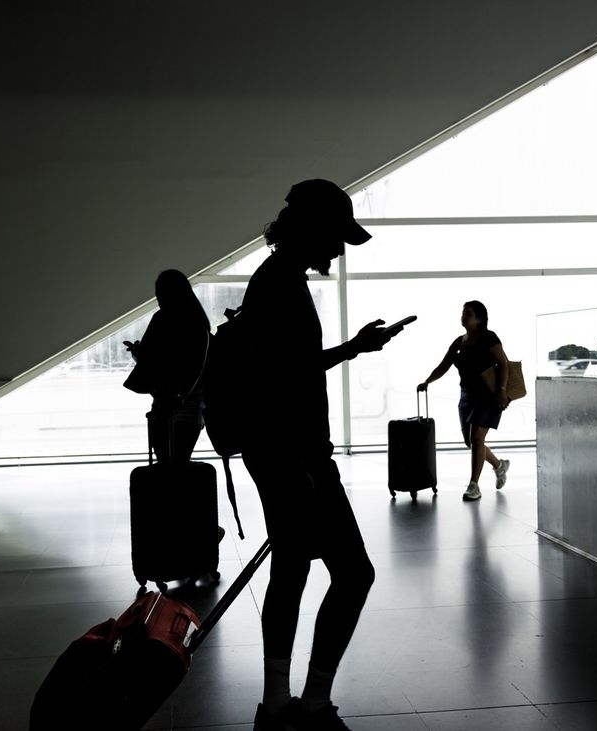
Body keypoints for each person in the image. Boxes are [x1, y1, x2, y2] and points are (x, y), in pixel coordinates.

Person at [243, 179, 402, 731]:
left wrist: (355, 347)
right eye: (336, 236)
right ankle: (305, 702)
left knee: (291, 571)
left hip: (285, 454)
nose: (339, 249)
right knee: (352, 574)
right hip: (297, 457)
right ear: (312, 229)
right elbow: (283, 378)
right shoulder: (280, 285)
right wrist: (300, 465)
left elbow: (288, 368)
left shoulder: (275, 280)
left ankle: (280, 703)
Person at [417, 301, 511, 500]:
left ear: (479, 319)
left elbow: (503, 363)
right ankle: (499, 465)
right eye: (463, 312)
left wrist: (502, 391)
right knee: (471, 441)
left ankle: (474, 485)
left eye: (468, 313)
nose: (463, 316)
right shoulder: (459, 342)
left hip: (488, 395)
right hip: (467, 395)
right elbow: (443, 366)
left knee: (477, 438)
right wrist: (427, 382)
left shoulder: (488, 337)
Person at [124, 269, 211, 463]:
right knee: (179, 465)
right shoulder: (197, 324)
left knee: (164, 465)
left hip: (162, 404)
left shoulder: (160, 320)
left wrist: (139, 355)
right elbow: (196, 368)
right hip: (189, 407)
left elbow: (150, 361)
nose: (158, 300)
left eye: (160, 295)